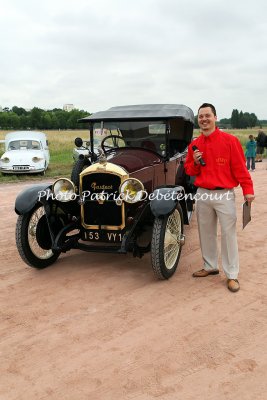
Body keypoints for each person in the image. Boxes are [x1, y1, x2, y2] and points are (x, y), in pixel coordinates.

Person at [184, 103, 255, 292]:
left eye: (207, 115)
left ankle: (232, 275)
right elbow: (189, 169)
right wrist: (197, 163)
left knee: (228, 234)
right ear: (198, 120)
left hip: (224, 194)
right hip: (203, 193)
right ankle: (210, 266)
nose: (204, 119)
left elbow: (240, 167)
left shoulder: (230, 141)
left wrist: (248, 189)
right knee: (206, 233)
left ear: (215, 118)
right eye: (201, 117)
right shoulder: (194, 145)